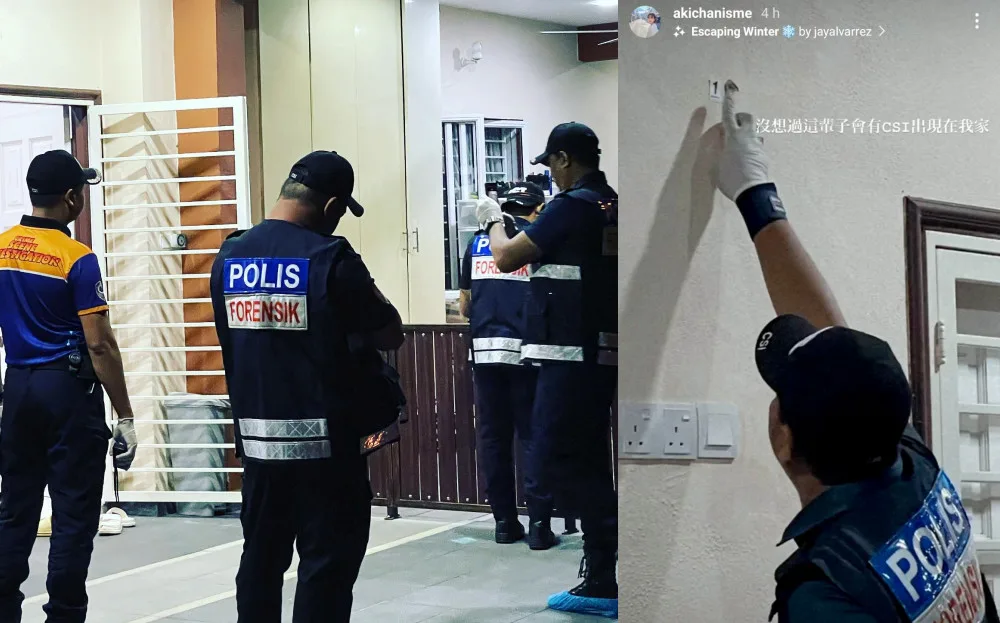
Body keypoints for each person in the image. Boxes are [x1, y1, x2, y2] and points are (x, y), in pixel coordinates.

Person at [716, 80, 1000, 622]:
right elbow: (836, 339)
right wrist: (755, 194)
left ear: (784, 439)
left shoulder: (827, 591)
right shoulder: (912, 470)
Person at [210, 150, 404, 623]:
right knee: (326, 568)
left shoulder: (229, 256)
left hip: (259, 450)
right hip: (327, 452)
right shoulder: (331, 257)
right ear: (332, 205)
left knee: (260, 562)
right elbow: (390, 332)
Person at [476, 122, 618, 618]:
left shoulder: (571, 206)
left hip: (568, 354)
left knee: (561, 457)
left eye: (551, 164)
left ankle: (603, 574)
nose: (551, 175)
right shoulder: (610, 203)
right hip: (597, 351)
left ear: (564, 159)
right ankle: (601, 572)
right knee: (588, 457)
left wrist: (493, 221)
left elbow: (506, 256)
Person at [0, 150, 137, 623]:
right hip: (67, 394)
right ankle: (63, 614)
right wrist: (125, 415)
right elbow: (100, 345)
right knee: (73, 517)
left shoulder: (1, 248)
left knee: (15, 511)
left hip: (19, 388)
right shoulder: (77, 259)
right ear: (72, 198)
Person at [459, 181, 557, 550]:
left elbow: (465, 306)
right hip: (526, 355)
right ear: (537, 209)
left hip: (485, 355)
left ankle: (503, 522)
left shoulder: (476, 243)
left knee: (493, 440)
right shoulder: (534, 241)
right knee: (533, 437)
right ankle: (540, 526)